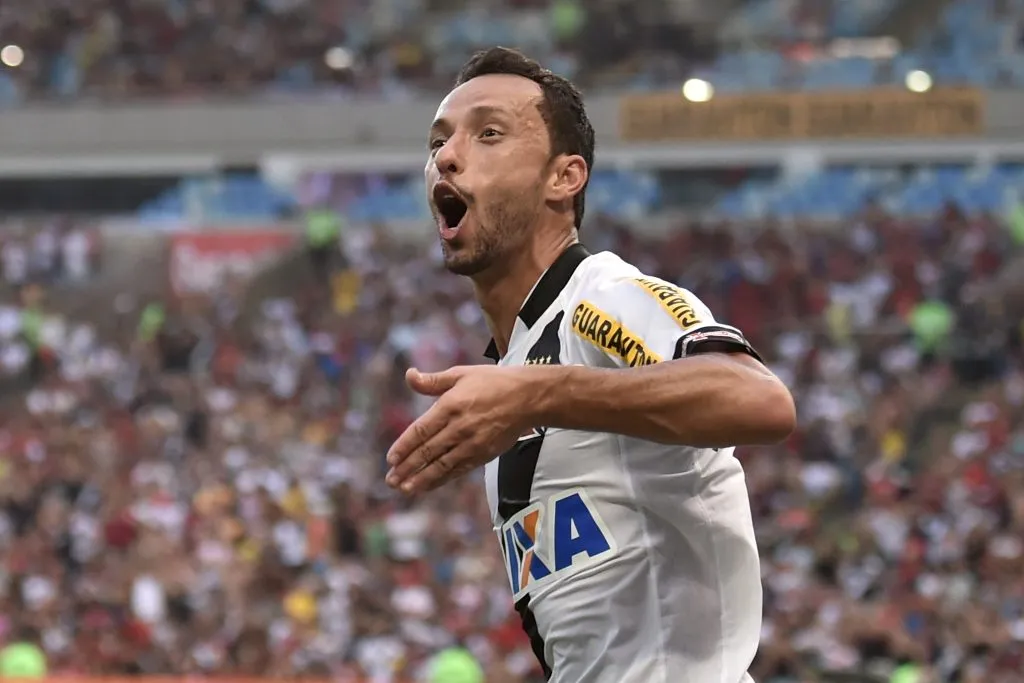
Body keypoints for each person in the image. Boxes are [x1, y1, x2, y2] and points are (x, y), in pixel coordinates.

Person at [385, 47, 796, 683]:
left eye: (488, 134)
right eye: (439, 140)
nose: (446, 154)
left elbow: (758, 399)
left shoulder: (597, 297)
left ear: (564, 177)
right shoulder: (511, 366)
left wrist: (538, 394)